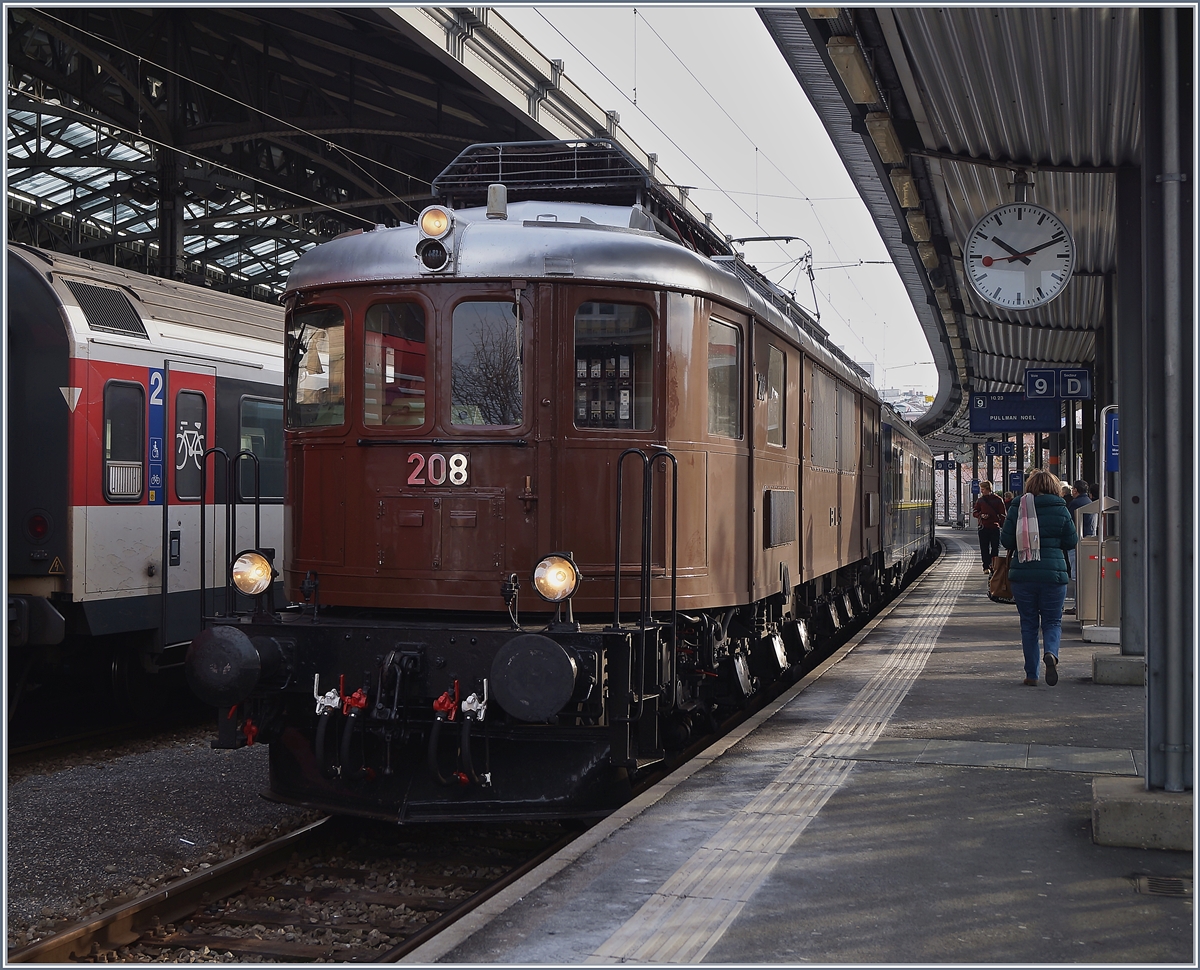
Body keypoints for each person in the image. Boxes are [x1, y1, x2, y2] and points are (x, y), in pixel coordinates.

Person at [1000, 469, 1079, 686]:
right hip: (1054, 574)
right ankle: (1051, 653)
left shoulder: (1017, 506)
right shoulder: (1060, 508)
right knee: (1053, 621)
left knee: (1029, 624)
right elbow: (1071, 541)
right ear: (1054, 488)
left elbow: (1006, 541)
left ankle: (1031, 674)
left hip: (1023, 574)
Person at [972, 481, 1007, 573]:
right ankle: (986, 566)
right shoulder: (981, 500)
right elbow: (974, 512)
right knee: (985, 548)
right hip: (984, 527)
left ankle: (992, 565)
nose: (981, 492)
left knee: (994, 547)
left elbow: (1003, 514)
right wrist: (981, 515)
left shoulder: (997, 500)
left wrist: (1002, 526)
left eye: (983, 490)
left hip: (994, 526)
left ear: (988, 489)